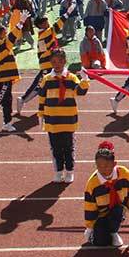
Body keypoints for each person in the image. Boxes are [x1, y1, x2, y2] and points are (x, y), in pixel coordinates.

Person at [38, 49, 90, 183]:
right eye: (54, 61)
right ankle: (58, 171)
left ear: (65, 61)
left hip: (68, 120)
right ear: (50, 62)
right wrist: (41, 114)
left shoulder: (71, 78)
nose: (57, 64)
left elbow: (80, 92)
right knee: (55, 148)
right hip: (52, 120)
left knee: (68, 147)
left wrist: (84, 80)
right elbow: (41, 98)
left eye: (60, 61)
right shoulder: (46, 79)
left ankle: (70, 170)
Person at [83, 141, 129, 248]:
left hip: (117, 209)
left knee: (118, 211)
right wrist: (89, 227)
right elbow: (89, 206)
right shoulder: (93, 183)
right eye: (99, 166)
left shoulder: (124, 173)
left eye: (106, 166)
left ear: (114, 164)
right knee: (101, 242)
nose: (102, 169)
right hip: (100, 214)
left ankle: (114, 232)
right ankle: (95, 234)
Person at [17, 14, 66, 115]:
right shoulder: (47, 32)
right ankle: (23, 99)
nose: (48, 23)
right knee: (38, 85)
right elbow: (58, 25)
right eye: (45, 22)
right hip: (47, 64)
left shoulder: (43, 33)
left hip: (50, 63)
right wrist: (67, 13)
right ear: (41, 25)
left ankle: (52, 104)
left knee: (52, 84)